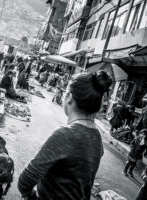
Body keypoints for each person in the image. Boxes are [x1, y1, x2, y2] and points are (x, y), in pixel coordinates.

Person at [18, 70, 112, 200]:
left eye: (65, 92)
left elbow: (25, 180)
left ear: (70, 98)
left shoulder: (64, 135)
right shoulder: (97, 137)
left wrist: (31, 195)